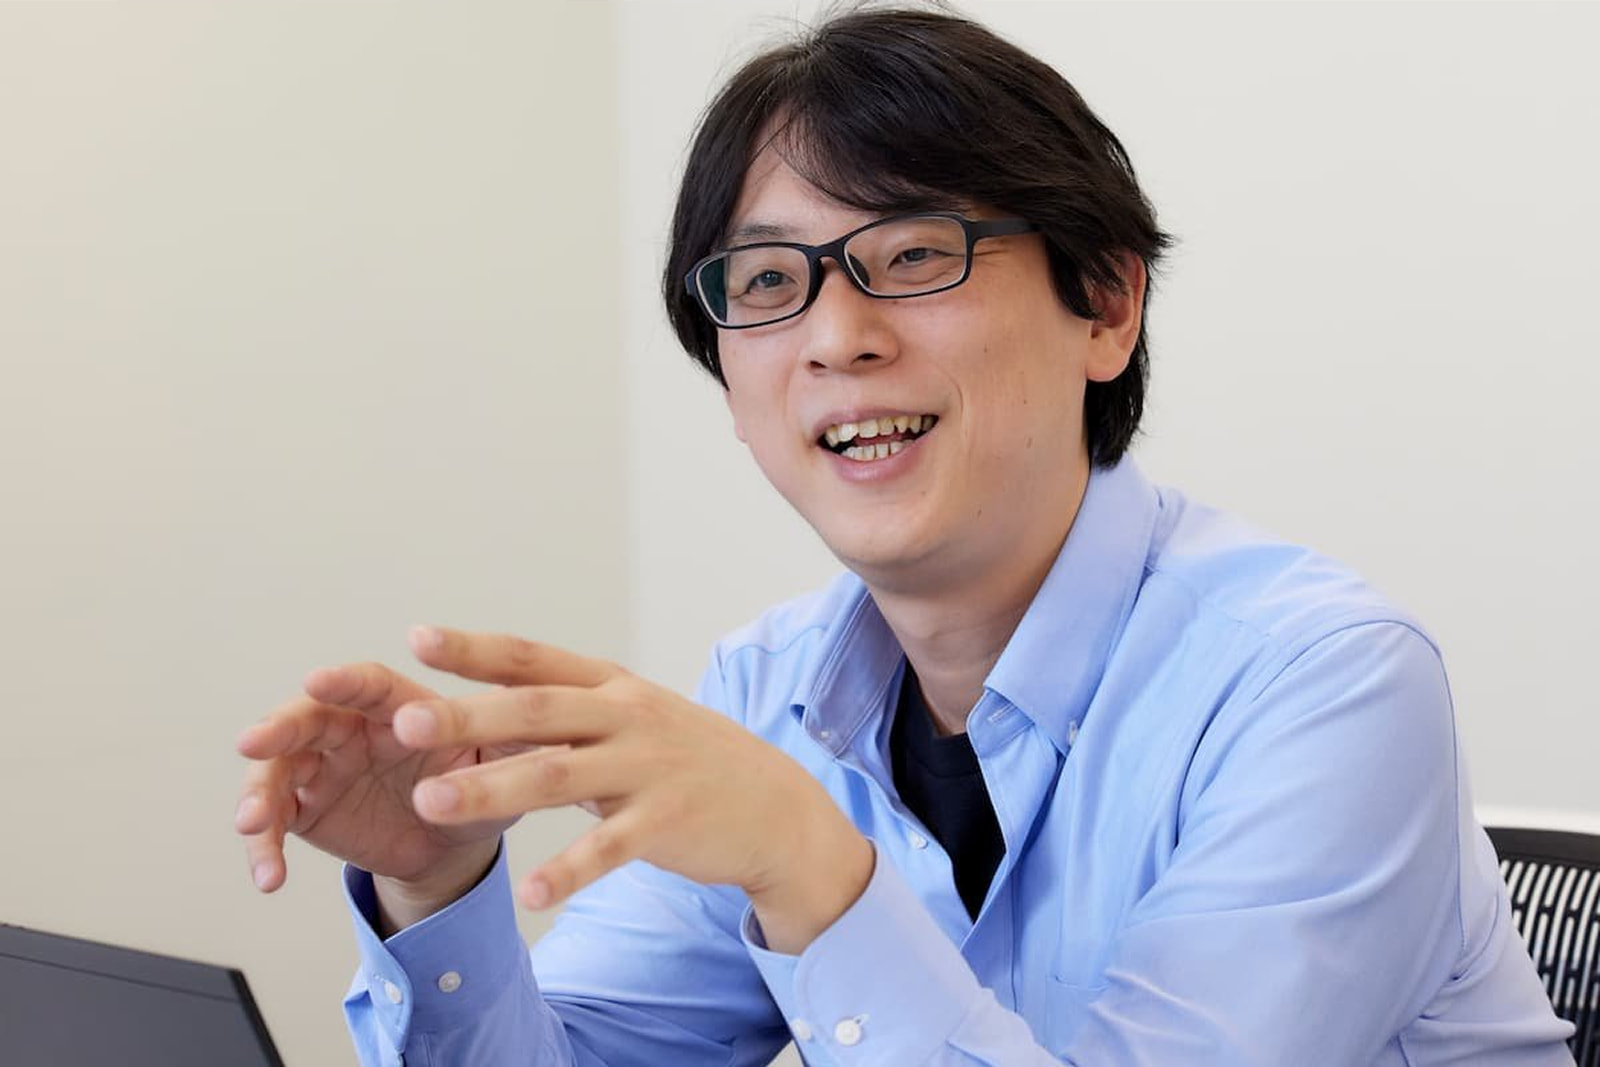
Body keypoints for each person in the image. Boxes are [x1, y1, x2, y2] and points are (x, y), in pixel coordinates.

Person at [234, 7, 1576, 1065]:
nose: (837, 337)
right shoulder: (769, 693)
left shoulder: (1324, 682)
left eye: (917, 253)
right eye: (769, 280)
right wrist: (439, 888)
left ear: (1107, 307)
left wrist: (809, 867)